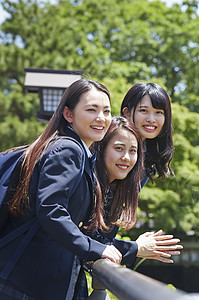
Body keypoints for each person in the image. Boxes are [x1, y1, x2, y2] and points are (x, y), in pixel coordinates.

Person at [0, 79, 121, 300]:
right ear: (68, 114)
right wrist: (94, 248)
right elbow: (51, 210)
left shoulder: (78, 152)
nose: (101, 118)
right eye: (91, 110)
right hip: (23, 280)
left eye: (106, 111)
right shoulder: (68, 149)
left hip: (27, 278)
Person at [89, 116, 182, 267]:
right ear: (101, 148)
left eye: (133, 151)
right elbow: (85, 240)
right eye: (119, 148)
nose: (126, 157)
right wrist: (136, 248)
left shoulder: (116, 188)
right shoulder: (88, 183)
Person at [121, 82, 174, 186]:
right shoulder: (110, 144)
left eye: (158, 112)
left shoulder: (147, 155)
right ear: (127, 113)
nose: (151, 119)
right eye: (144, 110)